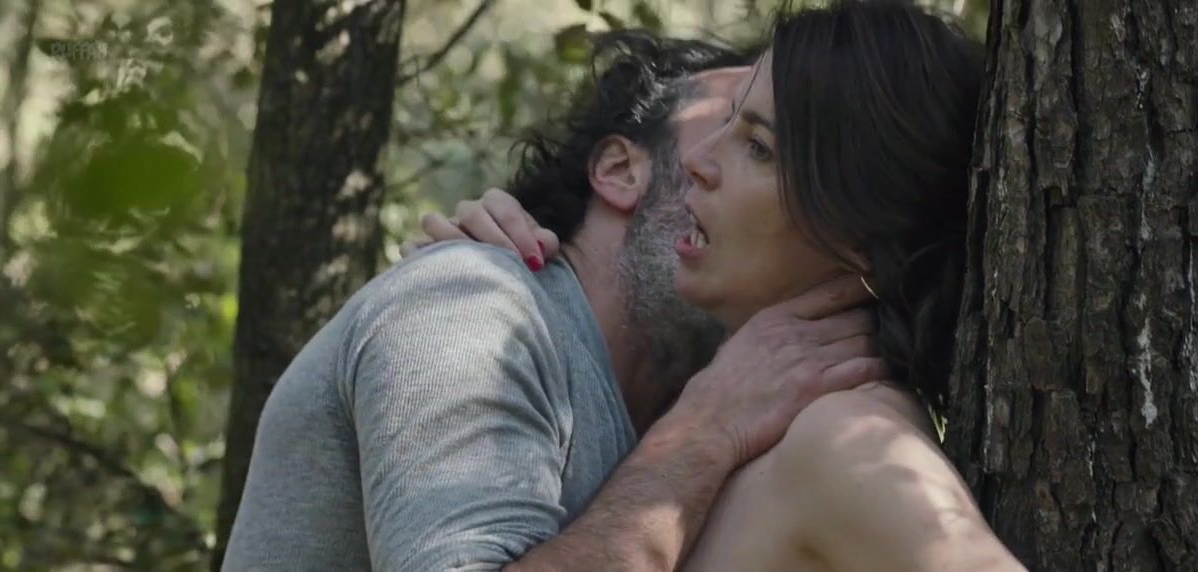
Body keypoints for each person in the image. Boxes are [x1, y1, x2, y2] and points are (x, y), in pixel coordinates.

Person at [222, 31, 890, 571]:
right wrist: (704, 434)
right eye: (732, 125)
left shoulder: (713, 409)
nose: (710, 161)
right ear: (620, 170)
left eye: (760, 148)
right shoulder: (471, 306)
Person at [413, 1, 1027, 570]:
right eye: (727, 120)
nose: (696, 160)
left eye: (757, 146)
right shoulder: (744, 426)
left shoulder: (845, 442)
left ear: (861, 232)